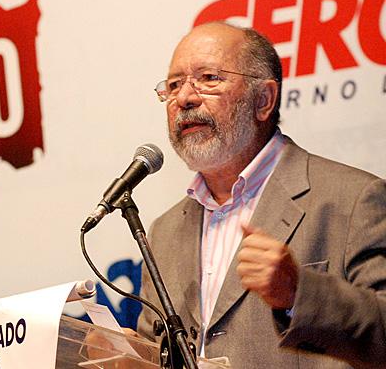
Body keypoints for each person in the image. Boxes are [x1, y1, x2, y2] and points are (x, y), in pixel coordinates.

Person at [135, 22, 386, 368]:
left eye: (209, 78)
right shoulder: (163, 233)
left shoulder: (354, 200)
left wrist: (299, 293)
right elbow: (155, 350)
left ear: (264, 100)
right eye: (174, 85)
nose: (184, 98)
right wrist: (124, 355)